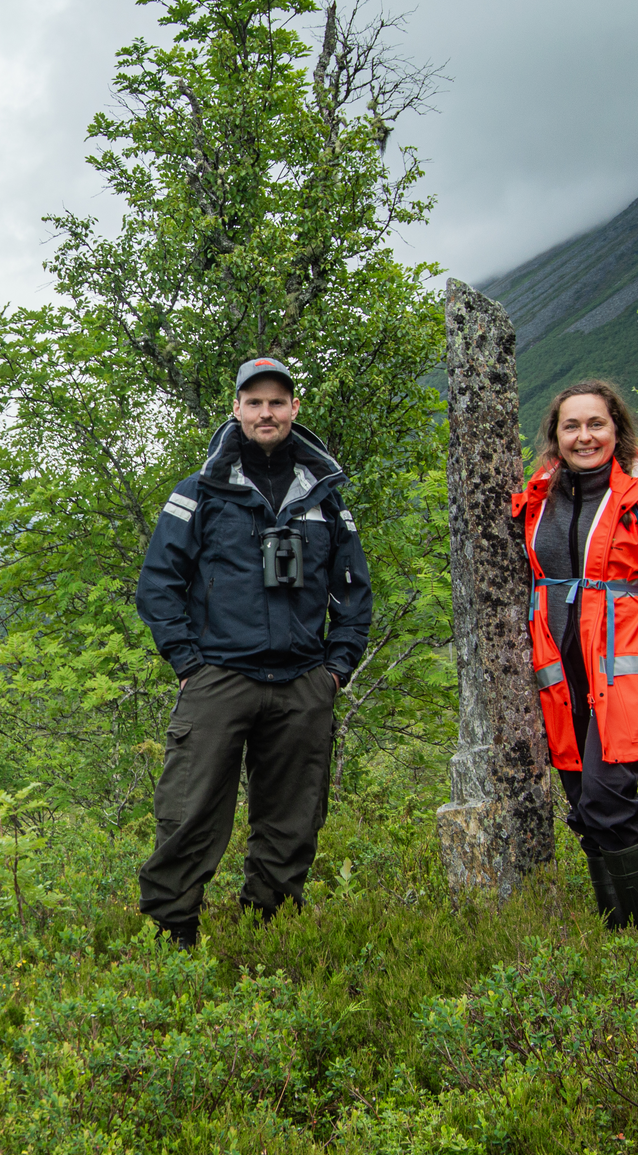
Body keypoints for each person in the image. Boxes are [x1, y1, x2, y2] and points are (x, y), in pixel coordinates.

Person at [134, 357, 372, 950]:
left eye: (277, 402)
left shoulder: (325, 496)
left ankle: (270, 934)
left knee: (293, 821)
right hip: (219, 677)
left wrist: (336, 669)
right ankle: (172, 937)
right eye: (254, 402)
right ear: (237, 409)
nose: (266, 412)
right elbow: (158, 583)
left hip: (302, 682)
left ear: (295, 409)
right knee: (189, 813)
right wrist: (188, 662)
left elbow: (353, 588)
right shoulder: (199, 492)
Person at [514, 379, 638, 932]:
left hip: (626, 678)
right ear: (555, 436)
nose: (585, 437)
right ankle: (617, 936)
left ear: (617, 430)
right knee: (584, 810)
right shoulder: (537, 500)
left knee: (607, 799)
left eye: (596, 424)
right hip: (562, 679)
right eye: (571, 426)